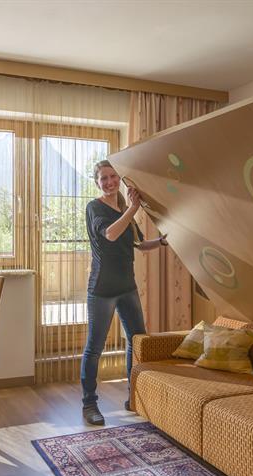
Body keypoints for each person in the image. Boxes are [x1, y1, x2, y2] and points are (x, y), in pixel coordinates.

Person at [81, 160, 168, 425]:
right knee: (94, 348)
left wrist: (163, 241)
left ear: (119, 179)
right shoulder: (95, 208)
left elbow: (139, 244)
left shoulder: (123, 208)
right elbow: (110, 234)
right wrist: (132, 209)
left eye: (113, 177)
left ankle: (133, 396)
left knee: (136, 340)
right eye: (104, 178)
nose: (109, 182)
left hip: (127, 286)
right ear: (96, 182)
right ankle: (89, 404)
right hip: (102, 289)